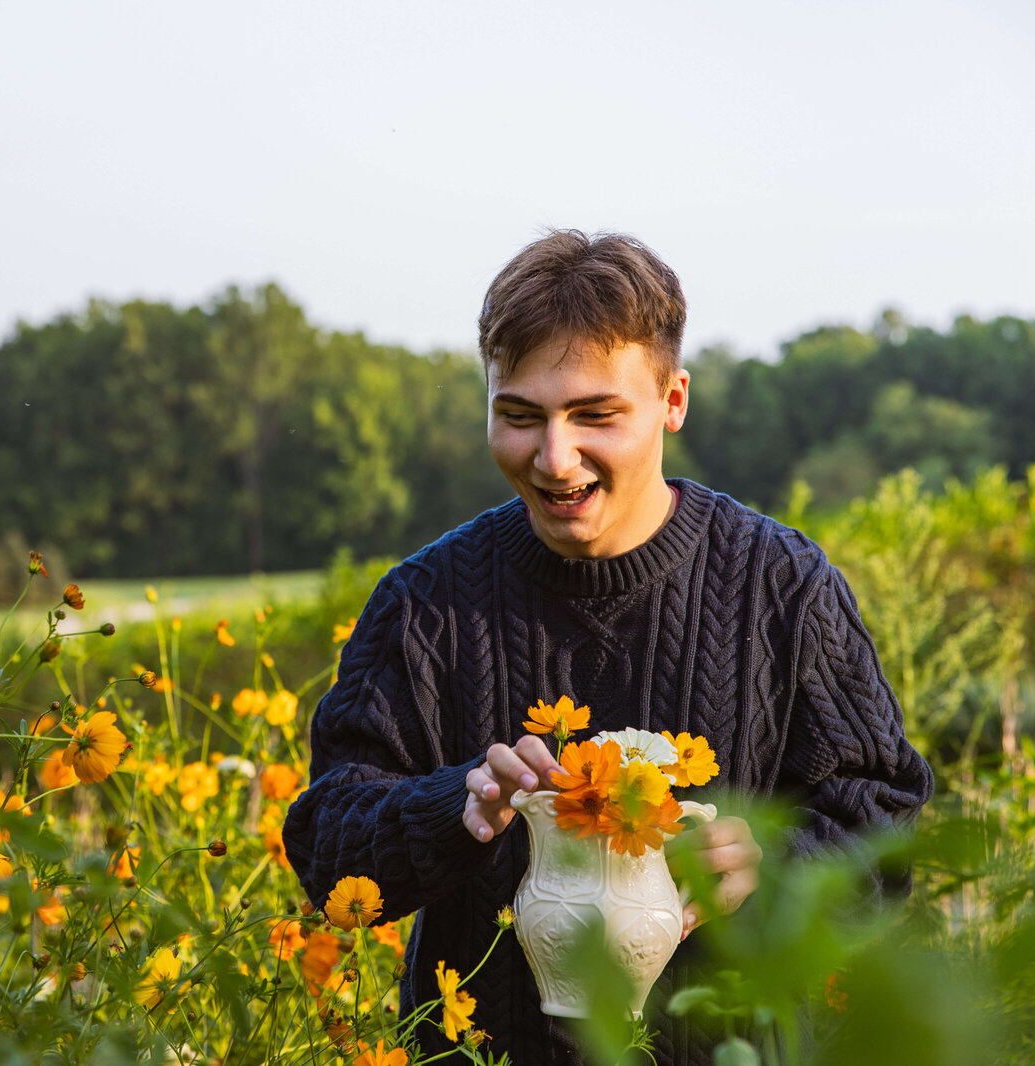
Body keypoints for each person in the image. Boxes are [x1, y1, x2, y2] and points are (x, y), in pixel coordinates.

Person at [282, 229, 933, 1065]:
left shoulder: (784, 586)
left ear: (673, 401)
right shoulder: (424, 604)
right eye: (519, 416)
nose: (555, 459)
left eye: (595, 415)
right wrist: (459, 806)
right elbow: (328, 851)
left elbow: (884, 825)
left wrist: (770, 867)